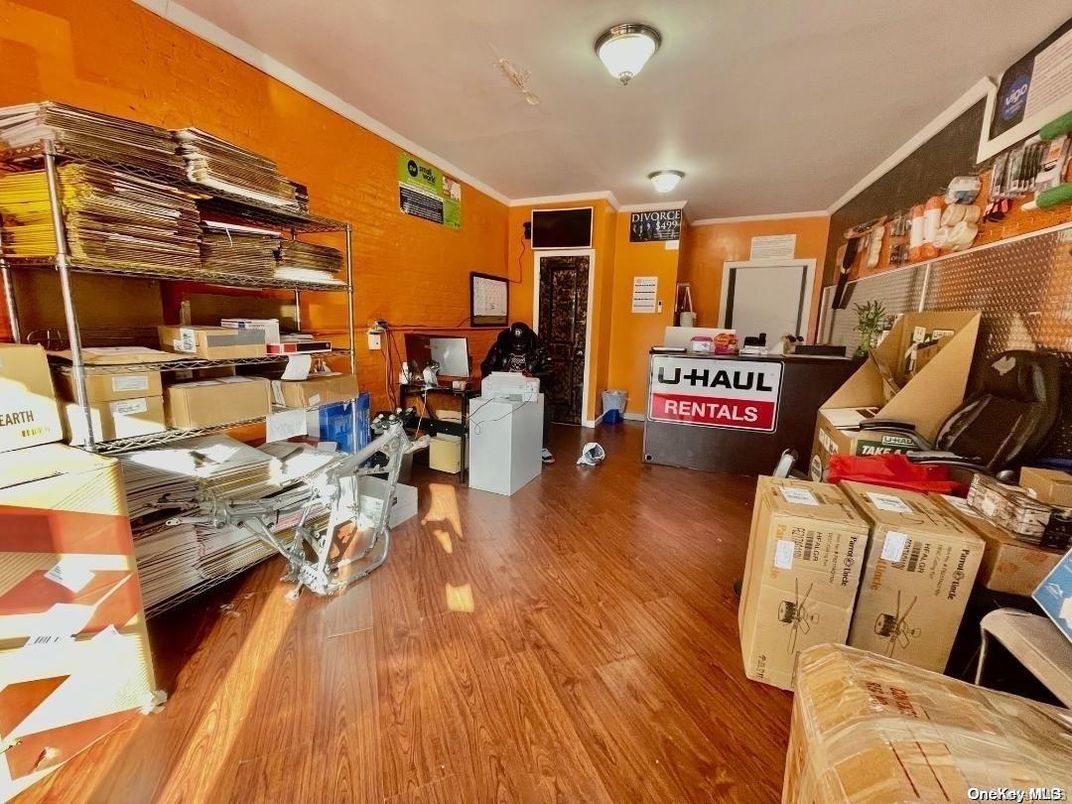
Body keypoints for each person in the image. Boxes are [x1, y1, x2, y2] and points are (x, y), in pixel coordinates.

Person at [480, 321, 555, 464]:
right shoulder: (500, 347)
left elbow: (550, 371)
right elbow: (486, 365)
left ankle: (541, 446)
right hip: (503, 387)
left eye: (522, 343)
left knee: (544, 406)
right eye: (515, 343)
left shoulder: (538, 349)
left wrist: (534, 375)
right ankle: (494, 443)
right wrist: (497, 376)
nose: (518, 346)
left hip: (529, 387)